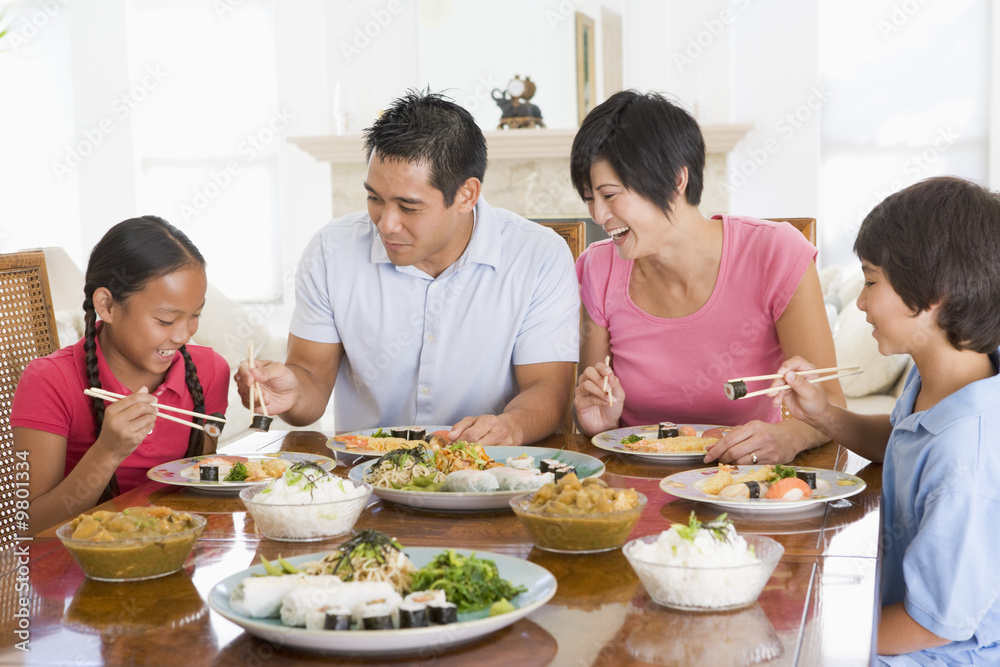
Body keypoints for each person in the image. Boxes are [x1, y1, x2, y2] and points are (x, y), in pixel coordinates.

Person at [236, 90, 579, 446]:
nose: (386, 224)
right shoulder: (331, 250)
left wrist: (512, 426)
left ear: (466, 195)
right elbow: (310, 381)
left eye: (409, 206)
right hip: (364, 477)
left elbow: (549, 389)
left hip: (490, 473)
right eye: (374, 198)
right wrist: (290, 392)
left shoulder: (539, 255)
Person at [770, 176, 1000, 664]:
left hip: (940, 651)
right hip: (906, 615)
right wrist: (825, 415)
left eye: (871, 281)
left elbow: (931, 625)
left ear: (933, 294)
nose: (860, 302)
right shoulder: (945, 377)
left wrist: (819, 631)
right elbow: (901, 438)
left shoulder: (967, 457)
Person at [570, 90, 845, 464]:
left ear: (675, 179)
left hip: (738, 482)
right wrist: (599, 422)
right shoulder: (597, 268)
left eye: (610, 194)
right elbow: (592, 411)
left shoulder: (774, 253)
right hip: (632, 483)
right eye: (589, 198)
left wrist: (789, 437)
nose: (599, 215)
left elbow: (830, 407)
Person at [11, 216, 229, 533]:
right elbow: (29, 528)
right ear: (107, 305)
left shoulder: (211, 370)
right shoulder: (49, 381)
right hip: (84, 568)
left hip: (180, 553)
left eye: (195, 315)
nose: (183, 335)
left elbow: (202, 488)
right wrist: (108, 450)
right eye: (166, 320)